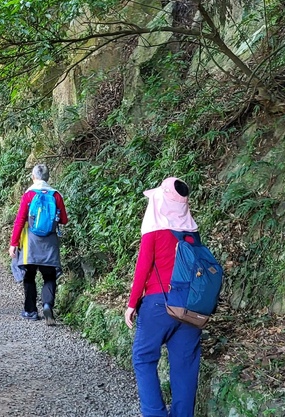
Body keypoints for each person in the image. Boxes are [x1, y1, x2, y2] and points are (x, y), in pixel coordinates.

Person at [124, 177, 202, 417]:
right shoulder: (192, 232)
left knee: (143, 357)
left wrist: (131, 304)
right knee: (185, 367)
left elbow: (143, 267)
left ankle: (155, 413)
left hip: (160, 302)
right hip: (191, 306)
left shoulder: (155, 230)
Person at [9, 164, 68, 325]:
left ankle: (30, 311)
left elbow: (20, 219)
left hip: (30, 242)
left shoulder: (28, 195)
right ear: (48, 177)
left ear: (33, 177)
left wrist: (13, 243)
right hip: (50, 242)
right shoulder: (56, 195)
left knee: (29, 276)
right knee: (49, 276)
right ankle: (48, 304)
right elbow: (64, 219)